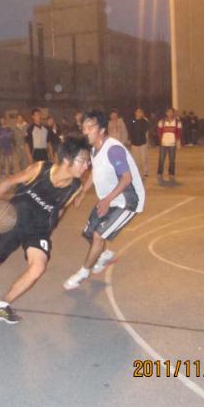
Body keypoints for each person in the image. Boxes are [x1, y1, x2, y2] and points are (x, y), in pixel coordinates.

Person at [0, 135, 90, 324]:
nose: (86, 166)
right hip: (15, 221)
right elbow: (7, 182)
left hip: (38, 229)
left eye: (88, 161)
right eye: (83, 161)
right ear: (67, 159)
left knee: (38, 267)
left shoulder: (75, 187)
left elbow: (61, 208)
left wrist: (51, 227)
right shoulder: (39, 169)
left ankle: (1, 306)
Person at [63, 111, 146, 291]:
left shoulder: (113, 149)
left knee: (98, 236)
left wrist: (107, 200)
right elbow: (94, 172)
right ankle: (106, 253)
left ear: (101, 130)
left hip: (127, 201)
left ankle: (83, 273)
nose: (85, 131)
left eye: (90, 127)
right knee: (89, 233)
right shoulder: (94, 149)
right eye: (83, 128)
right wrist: (82, 193)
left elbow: (127, 178)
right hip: (109, 198)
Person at [156, 107, 182, 181]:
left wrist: (177, 141)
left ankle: (171, 174)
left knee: (172, 160)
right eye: (168, 112)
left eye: (171, 112)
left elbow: (179, 133)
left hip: (172, 144)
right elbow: (159, 132)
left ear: (173, 113)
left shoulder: (177, 122)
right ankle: (159, 173)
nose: (170, 113)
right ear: (166, 113)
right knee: (161, 160)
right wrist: (161, 140)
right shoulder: (161, 122)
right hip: (163, 144)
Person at [129, 108, 149, 177]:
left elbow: (144, 130)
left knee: (144, 158)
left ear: (142, 113)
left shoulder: (144, 121)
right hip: (134, 143)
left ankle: (145, 171)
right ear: (135, 113)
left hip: (142, 142)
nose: (138, 113)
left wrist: (138, 125)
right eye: (137, 112)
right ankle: (137, 171)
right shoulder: (132, 121)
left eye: (140, 112)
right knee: (135, 159)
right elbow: (130, 130)